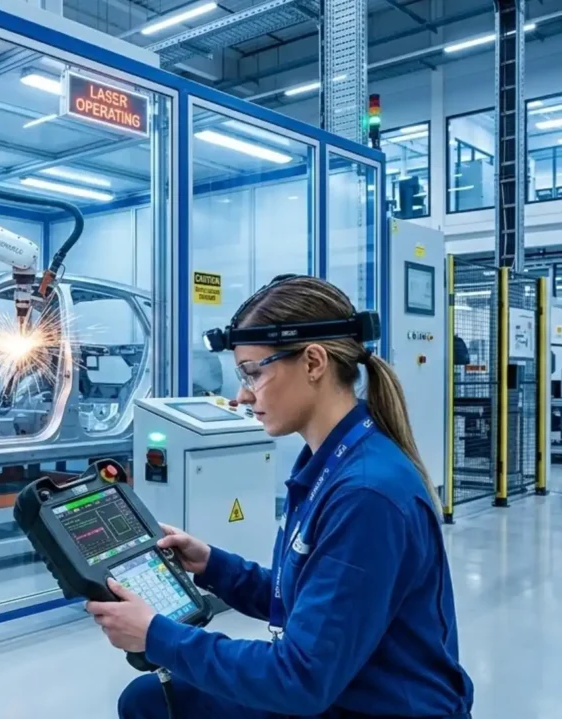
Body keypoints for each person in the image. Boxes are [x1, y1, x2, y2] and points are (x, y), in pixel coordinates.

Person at [86, 275, 474, 719]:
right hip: (347, 687)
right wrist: (213, 565)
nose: (242, 394)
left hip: (375, 705)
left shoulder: (366, 495)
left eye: (254, 372)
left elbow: (300, 680)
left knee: (152, 703)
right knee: (147, 699)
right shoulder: (331, 463)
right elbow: (308, 597)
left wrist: (156, 636)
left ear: (313, 363)